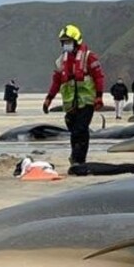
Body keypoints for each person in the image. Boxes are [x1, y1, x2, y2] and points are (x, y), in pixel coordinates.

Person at [43, 24, 104, 166]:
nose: (66, 44)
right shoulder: (61, 61)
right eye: (64, 42)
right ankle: (75, 156)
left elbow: (99, 77)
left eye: (68, 41)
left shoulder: (89, 57)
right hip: (70, 104)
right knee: (73, 130)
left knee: (80, 130)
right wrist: (49, 99)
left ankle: (78, 159)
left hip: (86, 101)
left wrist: (99, 96)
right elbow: (56, 81)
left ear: (76, 41)